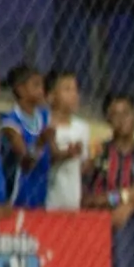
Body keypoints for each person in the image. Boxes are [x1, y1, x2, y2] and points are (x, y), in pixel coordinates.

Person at [0, 64, 53, 209]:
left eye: (42, 85)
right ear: (20, 89)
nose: (42, 90)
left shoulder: (45, 116)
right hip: (19, 194)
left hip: (43, 191)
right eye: (36, 85)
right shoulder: (11, 123)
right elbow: (26, 164)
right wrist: (40, 143)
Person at [89, 91, 134, 228]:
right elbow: (87, 199)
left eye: (126, 113)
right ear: (108, 119)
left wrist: (129, 206)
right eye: (116, 115)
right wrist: (123, 197)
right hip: (102, 226)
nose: (122, 119)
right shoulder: (99, 152)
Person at [43, 70, 91, 211]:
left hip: (72, 203)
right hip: (48, 203)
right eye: (67, 89)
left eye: (75, 90)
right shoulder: (44, 125)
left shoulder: (82, 128)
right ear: (51, 96)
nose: (74, 95)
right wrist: (66, 154)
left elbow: (83, 165)